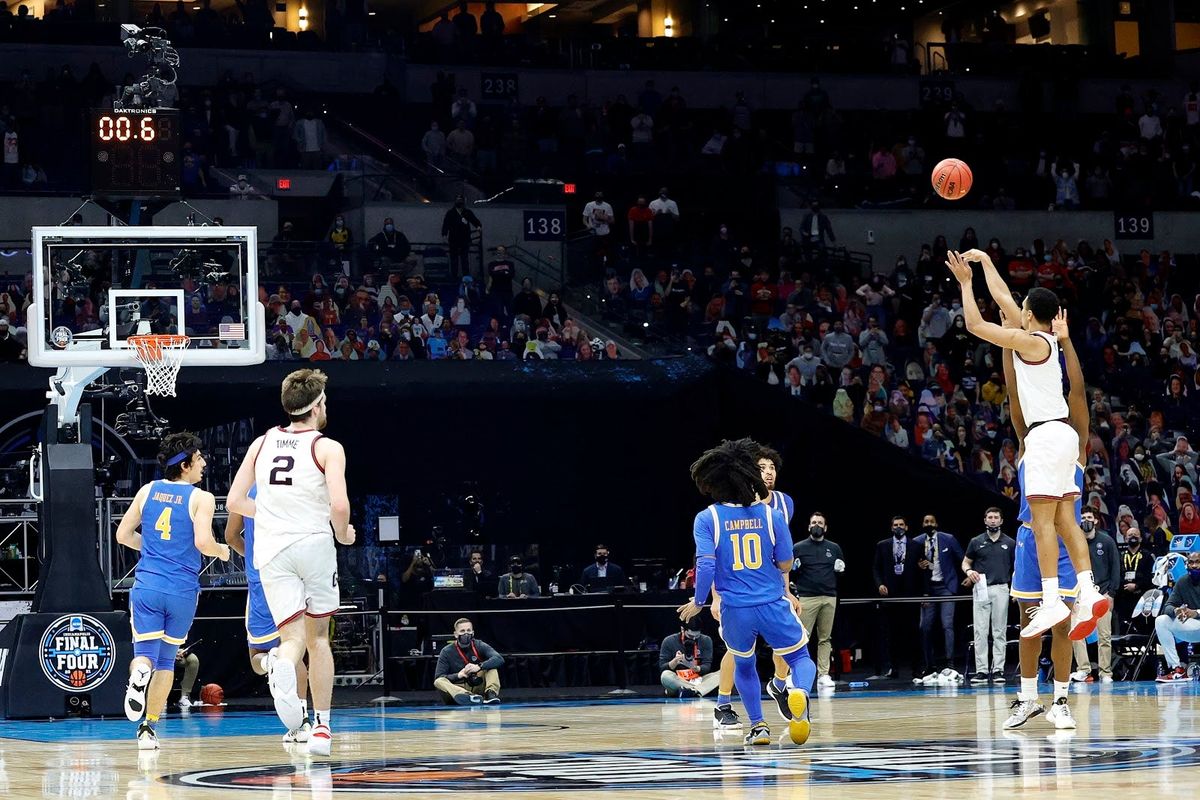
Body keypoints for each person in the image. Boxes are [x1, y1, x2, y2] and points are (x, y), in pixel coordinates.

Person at [948, 249, 1107, 639]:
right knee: (1067, 520)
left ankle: (1051, 599)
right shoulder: (1041, 339)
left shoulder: (1030, 341)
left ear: (1030, 314)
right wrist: (985, 263)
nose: (1014, 307)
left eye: (1021, 307)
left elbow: (973, 324)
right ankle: (1087, 590)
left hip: (1045, 437)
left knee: (1041, 524)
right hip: (1063, 438)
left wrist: (966, 284)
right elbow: (1003, 298)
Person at [226, 369, 356, 756]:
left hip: (272, 550)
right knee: (318, 639)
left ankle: (281, 662)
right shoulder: (328, 447)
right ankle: (322, 728)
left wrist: (270, 516)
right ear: (316, 407)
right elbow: (339, 505)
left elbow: (234, 503)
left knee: (292, 640)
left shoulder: (262, 442)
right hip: (313, 544)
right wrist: (344, 533)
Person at [678, 439, 815, 747]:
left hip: (735, 608)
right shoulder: (771, 515)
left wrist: (700, 601)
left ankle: (759, 727)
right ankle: (800, 693)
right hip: (771, 601)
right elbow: (785, 562)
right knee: (800, 657)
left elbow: (705, 565)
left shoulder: (707, 518)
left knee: (744, 664)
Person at [115, 432, 231, 750]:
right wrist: (222, 551)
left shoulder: (147, 491)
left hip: (148, 586)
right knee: (167, 662)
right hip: (181, 591)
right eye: (199, 458)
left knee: (145, 657)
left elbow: (122, 534)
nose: (205, 463)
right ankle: (148, 728)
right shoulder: (201, 498)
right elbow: (203, 543)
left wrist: (152, 550)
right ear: (185, 465)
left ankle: (138, 677)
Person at [1001, 308, 1086, 731]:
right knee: (1027, 621)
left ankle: (1062, 699)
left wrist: (1066, 342)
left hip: (1065, 545)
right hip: (1029, 540)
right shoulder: (1029, 438)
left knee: (1064, 621)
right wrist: (1008, 342)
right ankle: (1028, 697)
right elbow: (1016, 395)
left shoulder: (1076, 443)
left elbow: (1079, 396)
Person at [225, 484, 312, 742]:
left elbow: (231, 537)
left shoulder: (246, 489)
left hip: (260, 578)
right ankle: (304, 721)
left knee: (257, 656)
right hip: (292, 575)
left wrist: (251, 554)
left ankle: (270, 663)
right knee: (295, 649)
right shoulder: (296, 482)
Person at [963, 507, 1016, 684]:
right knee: (980, 630)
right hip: (981, 587)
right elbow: (965, 562)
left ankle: (999, 669)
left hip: (1001, 587)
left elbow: (1017, 568)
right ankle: (982, 671)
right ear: (985, 520)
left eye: (996, 517)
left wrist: (1015, 589)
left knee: (999, 630)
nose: (993, 520)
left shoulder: (1009, 542)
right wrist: (969, 571)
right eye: (990, 517)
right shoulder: (976, 541)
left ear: (1001, 521)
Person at [792, 511, 844, 689]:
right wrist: (794, 568)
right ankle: (796, 674)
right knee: (802, 637)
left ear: (825, 527)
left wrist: (841, 568)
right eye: (814, 522)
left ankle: (823, 674)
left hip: (829, 596)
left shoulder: (834, 547)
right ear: (808, 526)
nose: (817, 525)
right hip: (807, 597)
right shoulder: (798, 547)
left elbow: (841, 570)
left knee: (825, 638)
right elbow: (788, 571)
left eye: (820, 523)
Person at [1070, 508, 1120, 683]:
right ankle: (1084, 670)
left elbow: (1115, 567)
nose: (1086, 520)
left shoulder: (1106, 541)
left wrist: (1111, 593)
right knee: (1076, 634)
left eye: (1089, 517)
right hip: (1080, 594)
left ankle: (1105, 672)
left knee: (1104, 636)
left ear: (1096, 520)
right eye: (1082, 517)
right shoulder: (1074, 542)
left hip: (1102, 593)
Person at [871, 515, 922, 678]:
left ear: (906, 527)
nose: (898, 527)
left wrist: (924, 594)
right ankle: (894, 668)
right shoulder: (883, 545)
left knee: (913, 633)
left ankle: (916, 668)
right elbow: (876, 568)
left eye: (901, 524)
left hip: (910, 595)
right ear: (891, 527)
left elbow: (922, 570)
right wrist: (879, 584)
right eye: (895, 525)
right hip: (890, 596)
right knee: (892, 635)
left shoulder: (916, 545)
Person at [913, 513, 964, 675]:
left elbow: (962, 558)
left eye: (931, 521)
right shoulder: (917, 542)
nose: (929, 524)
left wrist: (968, 577)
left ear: (936, 523)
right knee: (925, 627)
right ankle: (930, 665)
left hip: (946, 587)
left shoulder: (948, 538)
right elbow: (911, 568)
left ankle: (950, 662)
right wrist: (918, 566)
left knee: (947, 624)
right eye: (926, 521)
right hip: (928, 590)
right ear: (922, 524)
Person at [434, 618, 504, 704]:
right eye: (462, 631)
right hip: (457, 688)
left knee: (491, 667)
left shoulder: (479, 644)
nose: (466, 634)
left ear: (473, 633)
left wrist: (479, 667)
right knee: (439, 681)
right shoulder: (446, 651)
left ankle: (490, 694)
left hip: (477, 686)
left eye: (468, 630)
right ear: (456, 634)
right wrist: (458, 675)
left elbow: (499, 658)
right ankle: (466, 696)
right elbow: (439, 677)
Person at [1154, 551, 1200, 682]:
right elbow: (1168, 606)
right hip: (1193, 626)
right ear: (1187, 565)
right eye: (1191, 562)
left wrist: (1196, 613)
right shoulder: (1182, 581)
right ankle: (1177, 669)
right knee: (1161, 620)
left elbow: (1195, 613)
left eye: (1197, 562)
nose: (1194, 566)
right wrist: (1176, 611)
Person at [659, 618, 719, 697]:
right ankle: (698, 691)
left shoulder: (706, 640)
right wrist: (675, 661)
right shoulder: (669, 641)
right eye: (690, 636)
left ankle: (690, 691)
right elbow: (662, 668)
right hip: (678, 680)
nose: (693, 638)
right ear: (682, 629)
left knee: (723, 673)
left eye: (697, 636)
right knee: (665, 675)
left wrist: (695, 667)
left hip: (700, 680)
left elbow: (707, 666)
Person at [441, 195, 482, 279]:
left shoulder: (467, 212)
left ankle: (466, 277)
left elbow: (475, 221)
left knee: (465, 259)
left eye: (461, 200)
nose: (459, 202)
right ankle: (454, 277)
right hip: (453, 240)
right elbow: (446, 225)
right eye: (458, 200)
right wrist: (444, 235)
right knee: (454, 260)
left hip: (465, 239)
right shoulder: (450, 213)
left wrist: (478, 226)